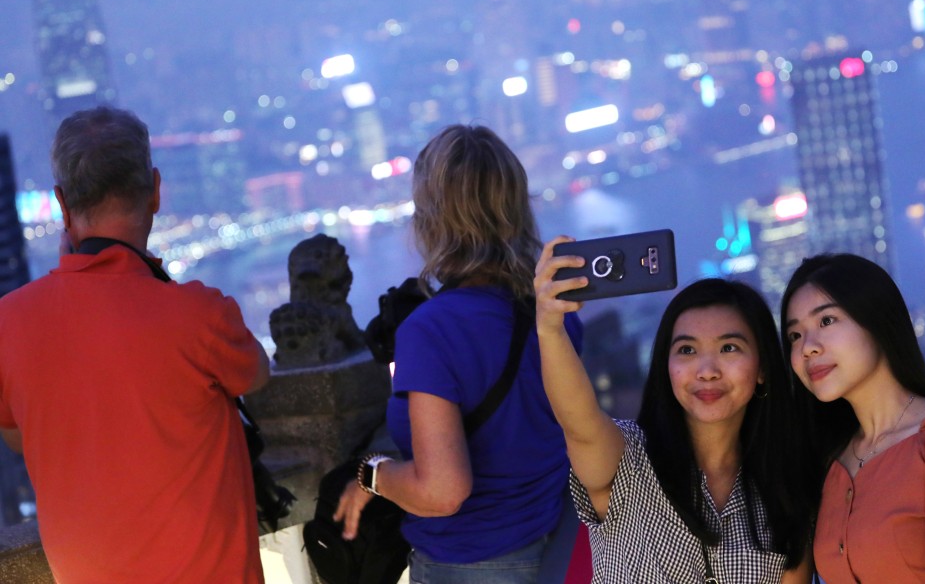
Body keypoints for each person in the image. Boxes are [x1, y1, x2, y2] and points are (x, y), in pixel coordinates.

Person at [0, 107, 270, 583]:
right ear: (156, 191)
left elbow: (21, 434)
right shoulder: (200, 314)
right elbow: (257, 375)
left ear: (62, 205)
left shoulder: (9, 323)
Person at [334, 124, 584, 583]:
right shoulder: (556, 314)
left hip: (469, 565)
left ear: (432, 218)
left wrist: (374, 476)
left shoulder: (430, 330)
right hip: (559, 553)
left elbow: (443, 491)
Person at [535, 239, 816, 584]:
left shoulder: (782, 493)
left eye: (729, 348)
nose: (707, 370)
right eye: (686, 350)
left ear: (762, 369)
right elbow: (579, 422)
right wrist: (549, 328)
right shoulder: (629, 462)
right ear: (665, 366)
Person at [781, 253, 925, 583]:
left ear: (876, 320)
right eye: (795, 335)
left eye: (826, 321)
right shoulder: (829, 463)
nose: (807, 348)